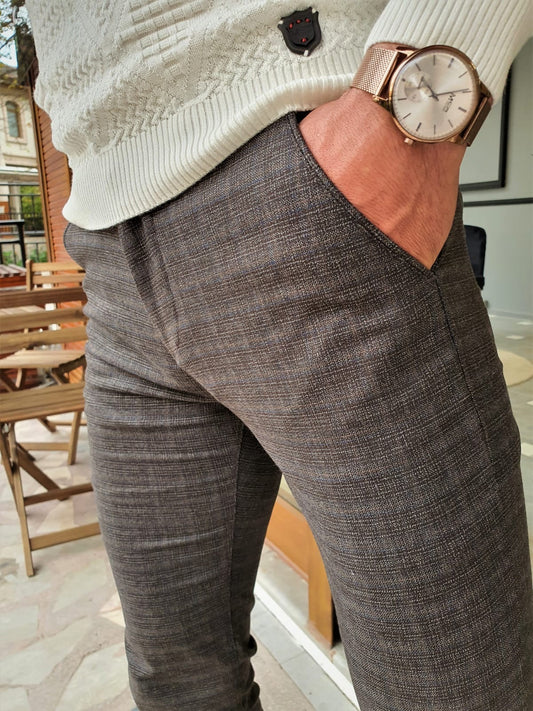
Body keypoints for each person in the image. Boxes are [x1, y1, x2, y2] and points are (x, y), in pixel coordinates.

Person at [26, 1, 533, 709]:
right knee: (175, 679)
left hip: (308, 194)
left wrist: (411, 100)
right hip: (109, 258)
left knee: (448, 683)